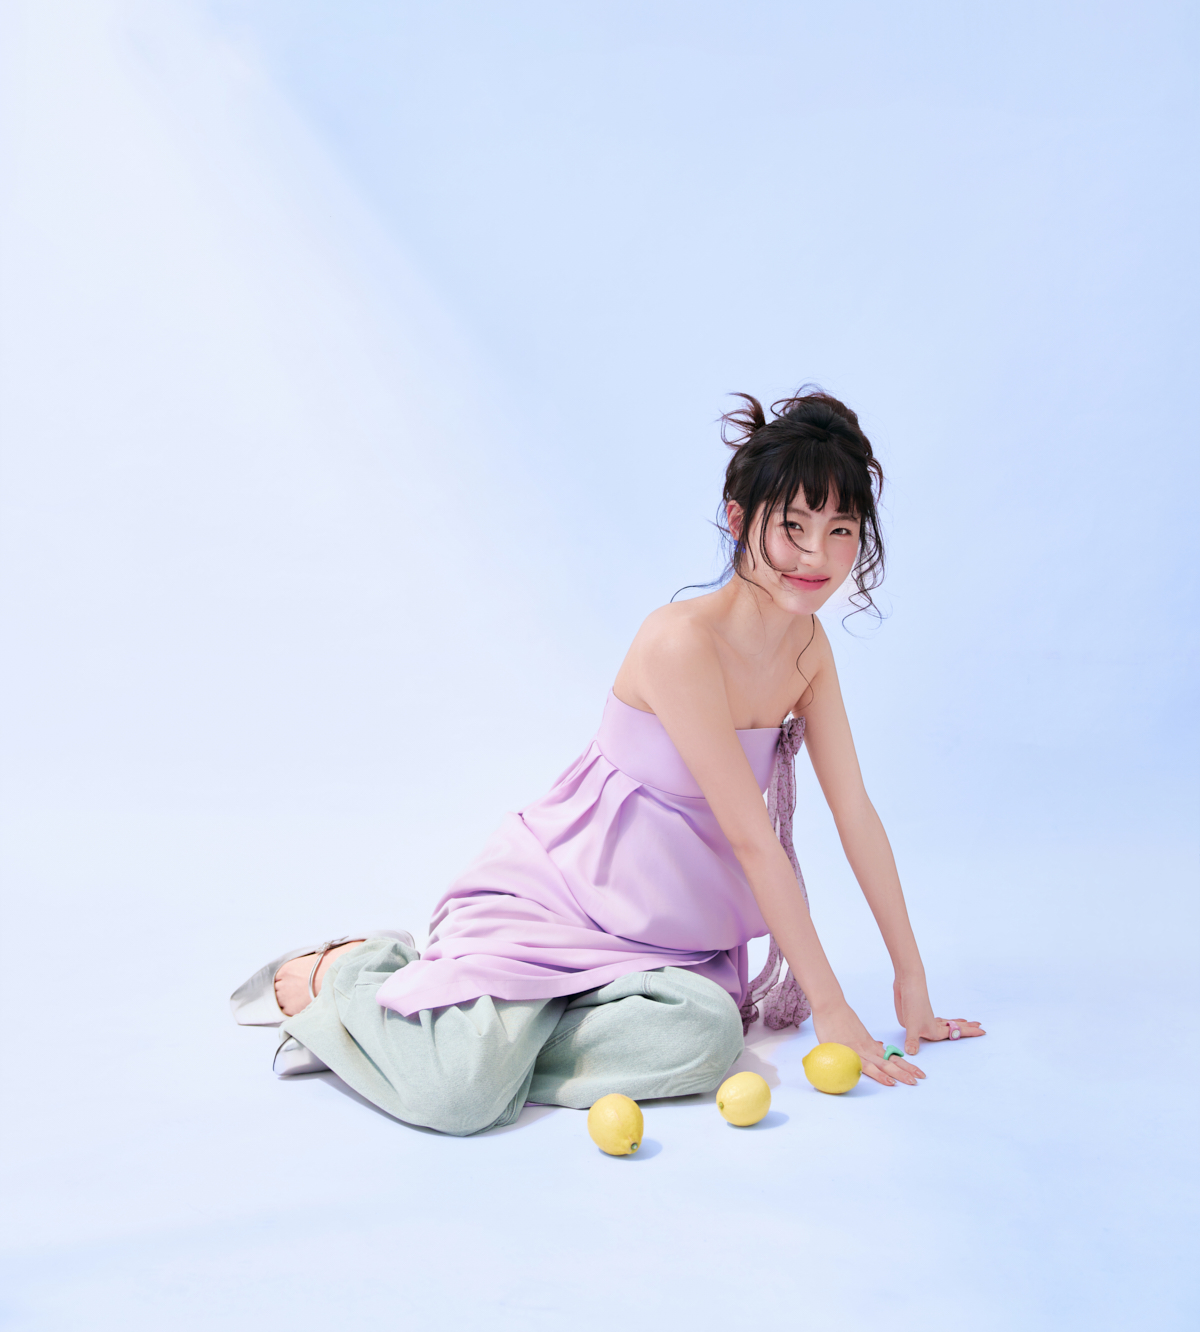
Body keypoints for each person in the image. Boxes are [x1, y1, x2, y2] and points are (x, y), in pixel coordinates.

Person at [231, 388, 983, 1134]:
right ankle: (356, 974)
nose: (817, 556)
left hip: (670, 947)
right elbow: (754, 839)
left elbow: (855, 812)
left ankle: (442, 1045)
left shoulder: (808, 650)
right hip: (557, 904)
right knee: (460, 1102)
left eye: (841, 529)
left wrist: (910, 980)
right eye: (793, 526)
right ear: (738, 520)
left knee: (708, 1038)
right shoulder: (680, 644)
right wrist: (830, 1006)